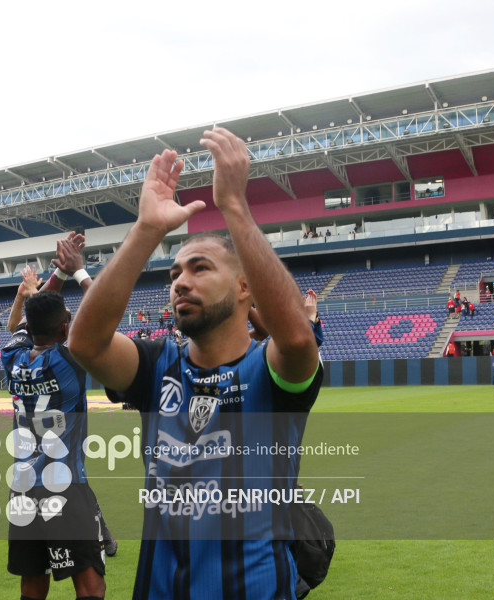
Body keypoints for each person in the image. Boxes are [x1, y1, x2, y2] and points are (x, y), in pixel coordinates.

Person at [69, 127, 322, 600]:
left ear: (244, 288)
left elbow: (295, 338)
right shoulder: (157, 365)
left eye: (200, 268)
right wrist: (147, 229)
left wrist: (234, 206)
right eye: (175, 273)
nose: (181, 281)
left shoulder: (271, 371)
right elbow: (84, 343)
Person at [1, 236, 108, 600]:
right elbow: (103, 309)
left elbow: (30, 320)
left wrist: (52, 278)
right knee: (91, 586)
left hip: (22, 485)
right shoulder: (70, 358)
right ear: (65, 328)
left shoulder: (11, 356)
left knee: (32, 584)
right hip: (65, 484)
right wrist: (77, 269)